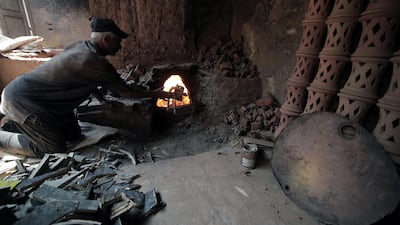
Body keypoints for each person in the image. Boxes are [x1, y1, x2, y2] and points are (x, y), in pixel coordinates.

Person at [0, 17, 180, 158]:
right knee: (54, 150)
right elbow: (127, 92)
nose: (120, 47)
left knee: (74, 136)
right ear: (107, 39)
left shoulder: (81, 47)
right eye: (118, 42)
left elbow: (88, 80)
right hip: (24, 102)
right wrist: (159, 93)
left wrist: (102, 100)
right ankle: (5, 137)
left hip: (49, 103)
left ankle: (24, 125)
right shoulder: (93, 61)